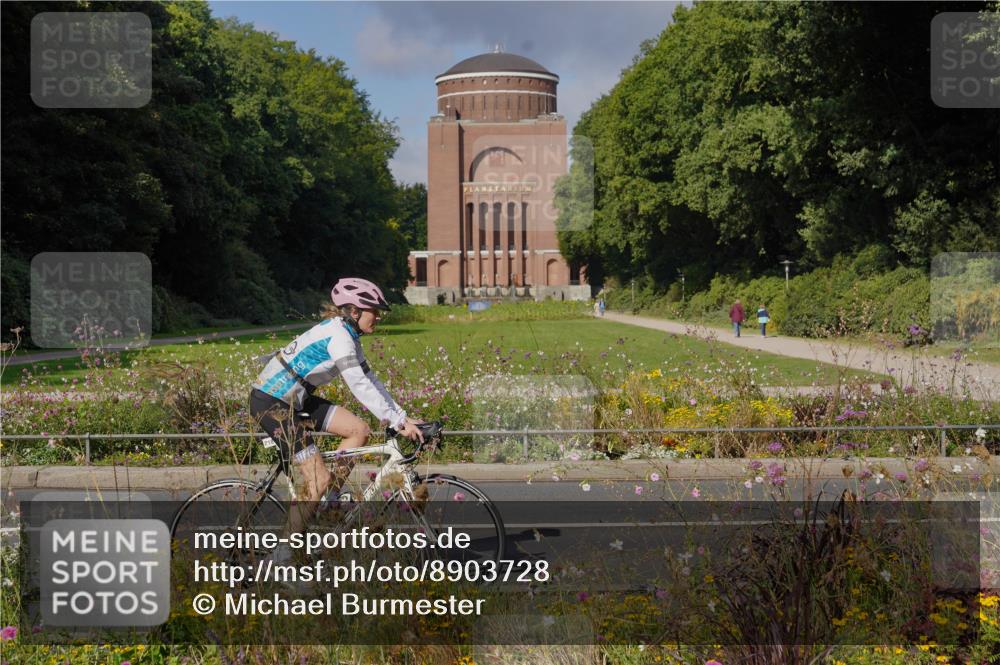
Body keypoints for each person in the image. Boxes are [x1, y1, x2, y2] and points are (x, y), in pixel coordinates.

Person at [249, 277, 424, 562]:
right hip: (271, 402)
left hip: (297, 400)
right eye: (374, 311)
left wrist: (401, 416)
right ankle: (280, 559)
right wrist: (397, 423)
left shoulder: (348, 335)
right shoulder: (340, 338)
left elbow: (371, 379)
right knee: (317, 478)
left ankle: (327, 506)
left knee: (359, 430)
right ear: (354, 311)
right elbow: (359, 386)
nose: (377, 317)